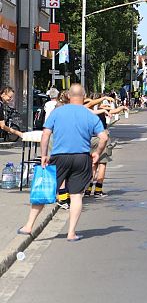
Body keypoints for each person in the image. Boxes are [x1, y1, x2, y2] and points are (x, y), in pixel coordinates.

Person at [18, 84, 108, 242]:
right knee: (76, 196)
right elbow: (104, 137)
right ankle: (71, 233)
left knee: (45, 190)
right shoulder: (90, 115)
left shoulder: (57, 112)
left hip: (59, 156)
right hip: (81, 157)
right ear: (84, 95)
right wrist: (97, 154)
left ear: (69, 96)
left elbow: (45, 134)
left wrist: (44, 155)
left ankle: (28, 226)